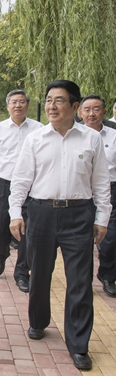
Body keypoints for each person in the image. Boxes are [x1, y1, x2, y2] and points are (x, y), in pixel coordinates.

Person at [9, 80, 111, 371]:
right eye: (49, 100)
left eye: (59, 101)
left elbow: (101, 182)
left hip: (79, 215)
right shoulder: (36, 139)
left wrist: (101, 218)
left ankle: (79, 344)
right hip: (40, 213)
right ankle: (39, 321)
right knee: (40, 273)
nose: (52, 106)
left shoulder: (91, 140)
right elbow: (21, 180)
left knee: (80, 280)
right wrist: (16, 213)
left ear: (75, 107)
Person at [0, 90, 43, 292]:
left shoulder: (39, 129)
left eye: (22, 102)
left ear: (27, 105)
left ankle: (22, 272)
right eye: (14, 102)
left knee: (27, 230)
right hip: (5, 184)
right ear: (8, 106)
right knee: (3, 225)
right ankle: (1, 253)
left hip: (32, 186)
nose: (18, 105)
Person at [79, 95, 116, 297]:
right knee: (81, 240)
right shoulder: (74, 135)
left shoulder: (113, 135)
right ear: (80, 112)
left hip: (111, 191)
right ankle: (83, 280)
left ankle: (108, 275)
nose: (91, 114)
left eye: (96, 109)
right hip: (83, 192)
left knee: (110, 239)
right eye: (87, 109)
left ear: (104, 112)